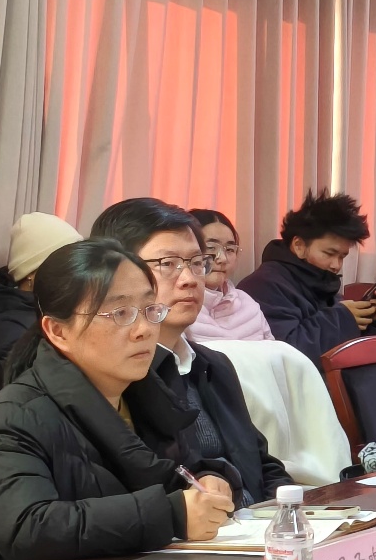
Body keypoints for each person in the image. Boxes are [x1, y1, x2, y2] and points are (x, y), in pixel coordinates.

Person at [0, 240, 233, 560]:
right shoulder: (14, 415)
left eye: (149, 309)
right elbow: (27, 528)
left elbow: (181, 470)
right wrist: (171, 514)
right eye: (120, 314)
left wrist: (208, 479)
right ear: (58, 331)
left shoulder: (144, 392)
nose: (144, 329)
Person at [91, 199, 293, 506]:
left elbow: (261, 463)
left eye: (197, 262)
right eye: (167, 264)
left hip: (252, 524)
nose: (189, 279)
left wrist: (289, 512)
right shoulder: (117, 378)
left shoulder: (213, 365)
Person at [238, 191, 376, 368]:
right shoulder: (264, 285)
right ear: (299, 246)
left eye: (342, 257)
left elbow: (352, 350)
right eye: (329, 253)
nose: (336, 265)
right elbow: (287, 352)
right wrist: (343, 318)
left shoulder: (321, 282)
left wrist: (370, 320)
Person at [0, 213, 82, 393]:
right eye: (64, 266)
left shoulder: (55, 308)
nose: (76, 275)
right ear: (31, 273)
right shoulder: (6, 332)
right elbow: (38, 393)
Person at [186, 208, 274, 342]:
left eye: (230, 249)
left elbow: (273, 350)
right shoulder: (178, 307)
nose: (222, 259)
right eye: (211, 247)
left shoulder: (248, 303)